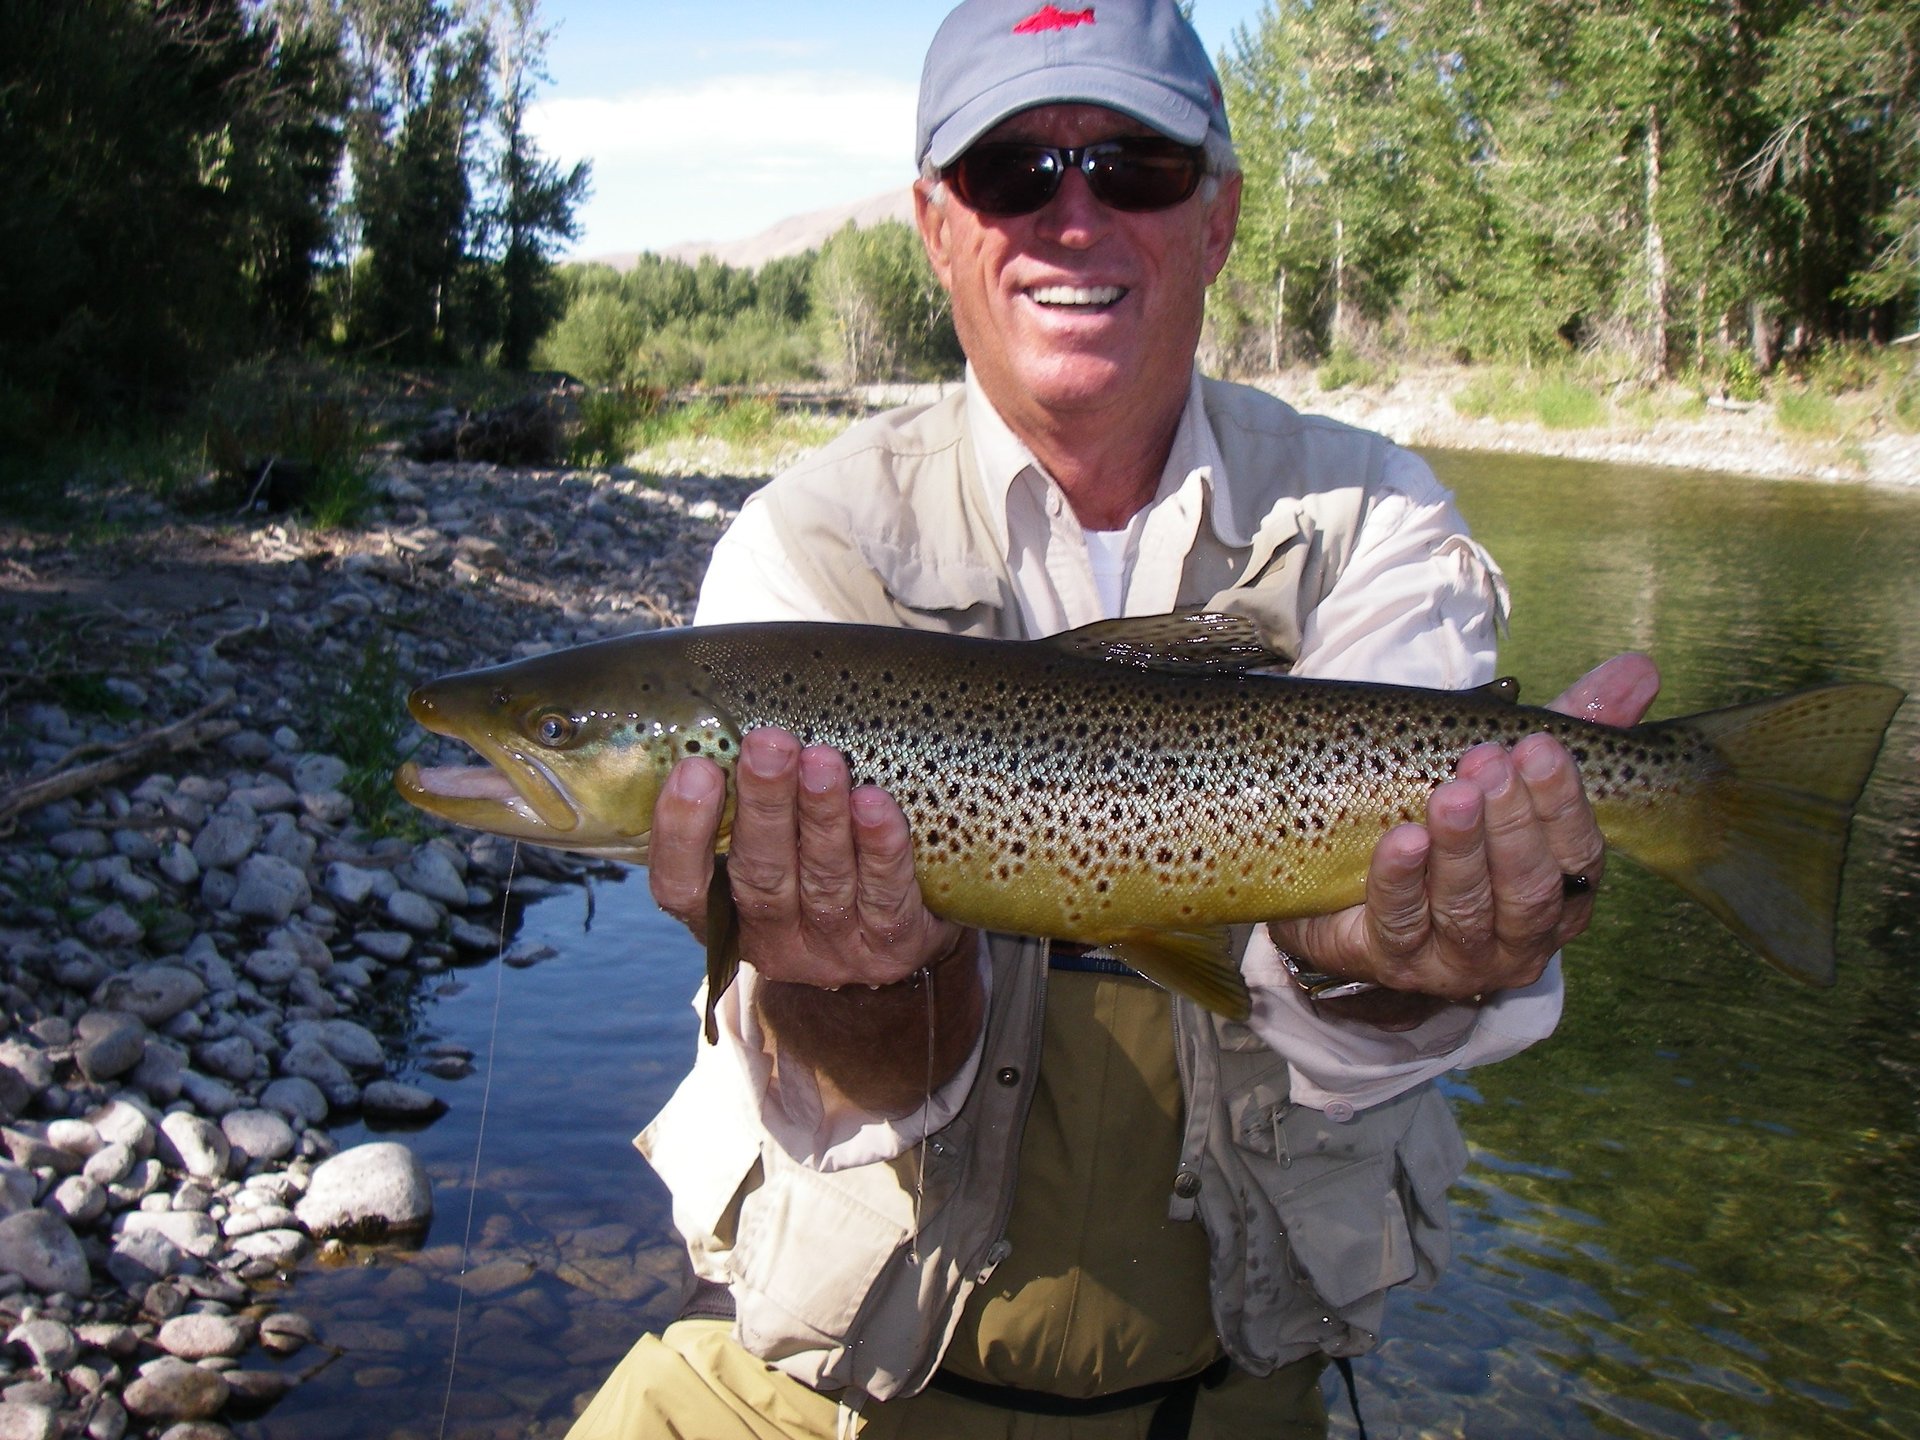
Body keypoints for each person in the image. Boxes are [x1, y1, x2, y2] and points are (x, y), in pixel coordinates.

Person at [567, 2, 1659, 1436]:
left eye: (1131, 166)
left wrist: (1388, 963)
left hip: (1229, 1408)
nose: (1068, 217)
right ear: (935, 224)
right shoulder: (805, 553)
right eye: (1011, 173)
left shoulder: (1372, 519)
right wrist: (865, 982)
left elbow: (1388, 989)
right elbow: (862, 1082)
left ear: (1218, 215)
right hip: (841, 1407)